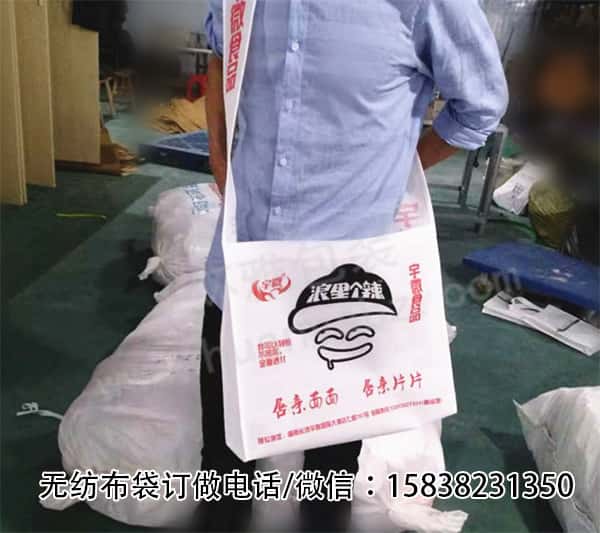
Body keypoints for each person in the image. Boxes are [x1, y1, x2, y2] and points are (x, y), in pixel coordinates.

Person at [199, 1, 508, 531]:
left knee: (329, 474)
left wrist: (393, 170)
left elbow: (479, 104)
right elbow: (217, 52)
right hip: (240, 265)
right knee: (223, 465)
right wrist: (218, 154)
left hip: (345, 279)